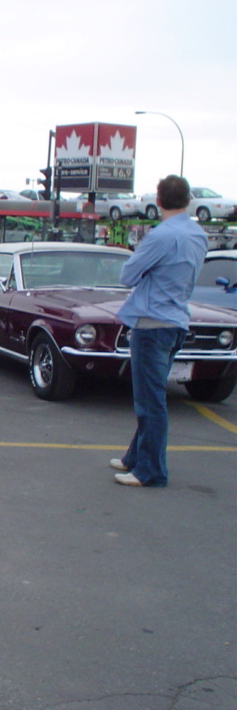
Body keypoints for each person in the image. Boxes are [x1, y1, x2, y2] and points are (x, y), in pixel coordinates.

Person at [111, 175, 207, 487]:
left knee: (150, 402)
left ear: (159, 200)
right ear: (189, 199)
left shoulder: (161, 236)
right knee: (152, 396)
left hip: (151, 323)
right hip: (177, 320)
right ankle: (134, 457)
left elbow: (128, 275)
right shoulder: (197, 234)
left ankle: (150, 470)